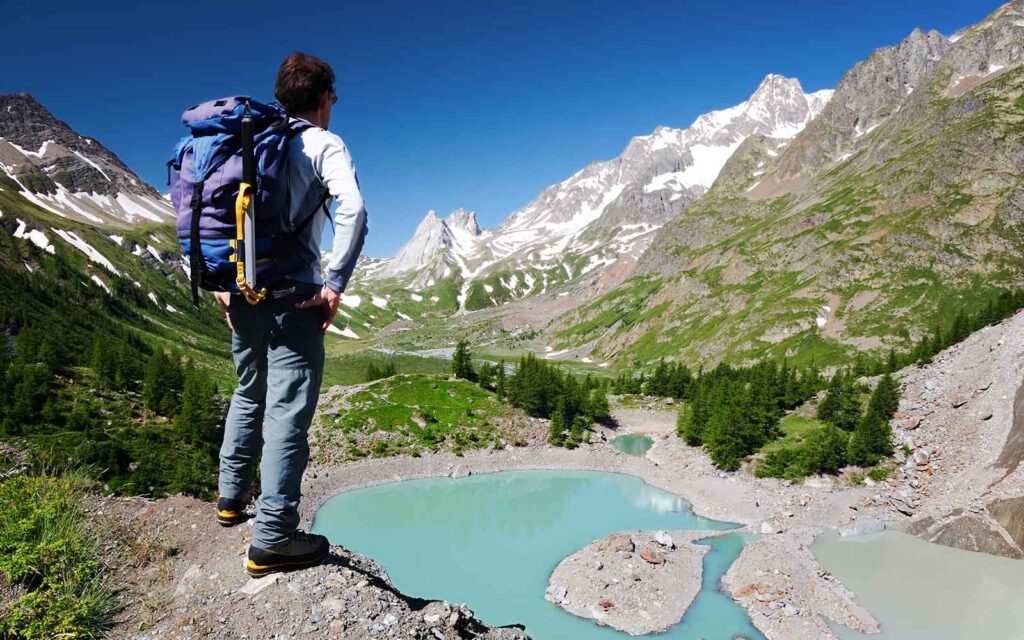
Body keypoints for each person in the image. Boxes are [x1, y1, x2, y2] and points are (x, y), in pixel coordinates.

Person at [212, 52, 367, 578]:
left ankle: (231, 501)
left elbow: (206, 213)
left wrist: (221, 279)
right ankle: (274, 538)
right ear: (323, 98)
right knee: (288, 412)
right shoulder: (324, 143)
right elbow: (353, 209)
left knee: (247, 389)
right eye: (333, 97)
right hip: (295, 295)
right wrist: (334, 285)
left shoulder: (243, 141)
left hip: (240, 291)